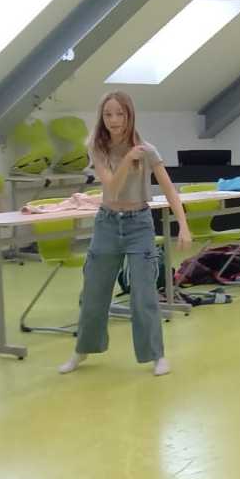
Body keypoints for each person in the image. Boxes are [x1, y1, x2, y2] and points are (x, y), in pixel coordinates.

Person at [60, 91, 191, 377]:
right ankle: (83, 349)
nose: (114, 120)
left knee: (144, 294)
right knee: (94, 291)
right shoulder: (97, 147)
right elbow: (111, 188)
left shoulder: (147, 150)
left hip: (139, 224)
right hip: (107, 224)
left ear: (130, 116)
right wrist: (127, 159)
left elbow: (168, 188)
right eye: (108, 114)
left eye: (120, 114)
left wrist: (183, 224)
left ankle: (156, 355)